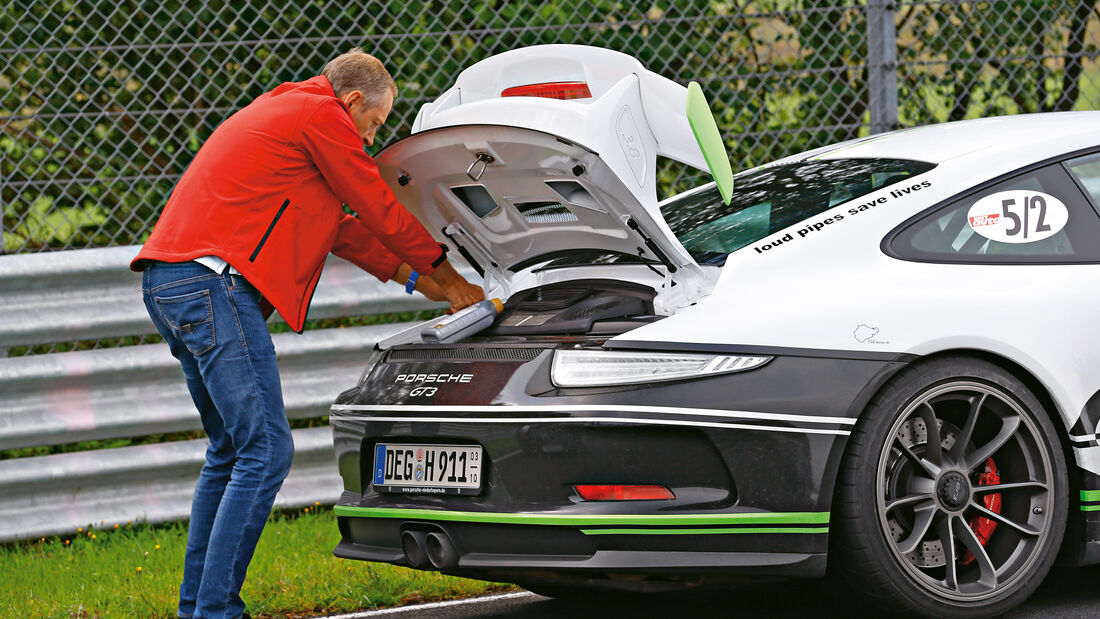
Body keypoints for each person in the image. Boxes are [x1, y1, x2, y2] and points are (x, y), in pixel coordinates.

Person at [130, 49, 484, 619]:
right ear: (351, 102)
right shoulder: (320, 117)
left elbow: (338, 226)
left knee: (230, 451)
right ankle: (217, 612)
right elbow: (372, 200)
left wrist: (419, 279)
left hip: (172, 284)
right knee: (266, 450)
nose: (373, 137)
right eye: (376, 123)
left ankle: (199, 608)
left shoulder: (287, 113)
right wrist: (449, 276)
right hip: (211, 285)